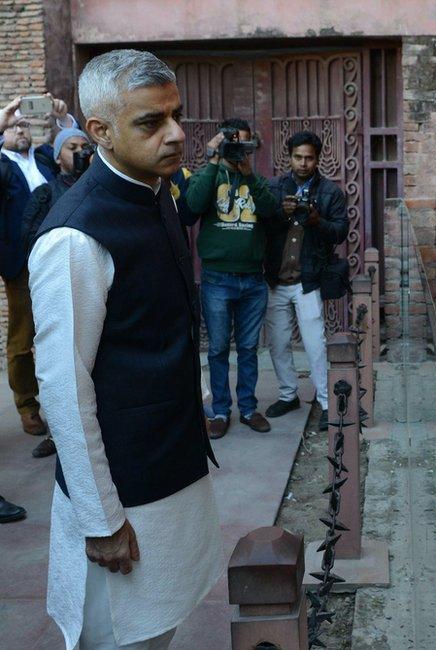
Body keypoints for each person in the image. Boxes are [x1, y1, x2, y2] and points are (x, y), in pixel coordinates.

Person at [29, 49, 222, 649]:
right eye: (151, 122)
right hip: (123, 495)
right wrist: (99, 519)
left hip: (171, 468)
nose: (176, 134)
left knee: (159, 629)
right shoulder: (73, 236)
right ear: (100, 132)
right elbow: (63, 389)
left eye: (177, 114)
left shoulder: (155, 190)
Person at [184, 118, 276, 439]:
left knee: (249, 348)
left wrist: (249, 174)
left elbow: (272, 211)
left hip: (252, 279)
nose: (238, 150)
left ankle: (248, 408)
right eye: (232, 144)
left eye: (244, 144)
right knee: (219, 348)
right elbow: (191, 207)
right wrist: (212, 160)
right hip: (217, 279)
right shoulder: (209, 175)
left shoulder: (257, 180)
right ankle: (221, 410)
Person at [0, 94, 75, 439]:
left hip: (56, 259)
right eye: (15, 127)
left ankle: (65, 403)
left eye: (25, 125)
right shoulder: (2, 165)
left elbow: (71, 150)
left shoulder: (44, 159)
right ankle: (28, 406)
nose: (22, 131)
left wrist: (62, 119)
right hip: (21, 265)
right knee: (22, 337)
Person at [265, 131, 349, 430]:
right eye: (298, 157)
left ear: (318, 158)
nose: (303, 163)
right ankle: (288, 394)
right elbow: (260, 223)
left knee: (316, 344)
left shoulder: (330, 192)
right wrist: (280, 212)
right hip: (276, 279)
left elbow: (340, 231)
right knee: (277, 343)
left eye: (309, 158)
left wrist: (318, 221)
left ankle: (326, 402)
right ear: (289, 157)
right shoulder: (274, 187)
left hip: (308, 280)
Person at [20, 126, 93, 459]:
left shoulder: (101, 191)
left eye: (84, 146)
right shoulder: (46, 194)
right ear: (57, 155)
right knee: (58, 363)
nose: (79, 153)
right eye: (71, 147)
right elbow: (30, 236)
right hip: (58, 289)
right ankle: (57, 433)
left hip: (95, 290)